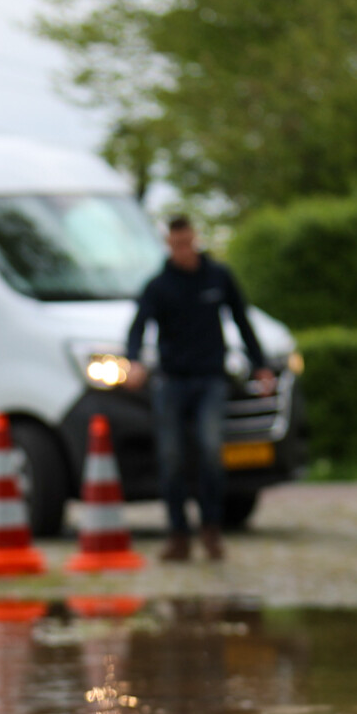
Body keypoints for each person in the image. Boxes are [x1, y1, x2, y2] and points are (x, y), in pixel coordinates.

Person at [124, 216, 274, 561]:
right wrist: (133, 361)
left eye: (187, 242)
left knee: (210, 451)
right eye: (176, 244)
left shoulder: (218, 278)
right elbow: (138, 328)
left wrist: (260, 364)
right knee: (171, 457)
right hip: (172, 380)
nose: (183, 249)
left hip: (210, 379)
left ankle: (211, 528)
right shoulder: (159, 286)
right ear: (168, 244)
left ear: (195, 239)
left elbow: (241, 320)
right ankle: (178, 533)